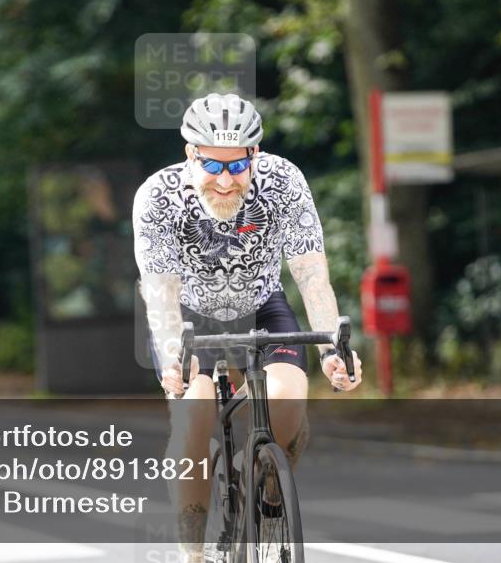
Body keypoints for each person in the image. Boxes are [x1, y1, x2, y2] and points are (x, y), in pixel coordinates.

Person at [133, 93, 363, 562]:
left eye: (237, 167)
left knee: (289, 397)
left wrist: (332, 352)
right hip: (190, 319)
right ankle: (193, 554)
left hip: (261, 306)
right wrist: (172, 358)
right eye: (211, 166)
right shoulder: (157, 197)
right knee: (194, 412)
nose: (224, 180)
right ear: (188, 154)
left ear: (255, 156)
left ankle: (266, 482)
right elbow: (160, 292)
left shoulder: (283, 182)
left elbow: (312, 276)